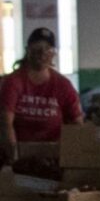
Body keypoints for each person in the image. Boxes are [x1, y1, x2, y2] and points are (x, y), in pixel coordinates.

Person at [0, 34, 82, 168]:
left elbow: (77, 124)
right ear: (28, 50)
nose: (42, 53)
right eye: (37, 48)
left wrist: (69, 159)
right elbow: (5, 123)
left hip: (53, 156)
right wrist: (14, 159)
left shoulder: (63, 85)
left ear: (53, 54)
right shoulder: (13, 82)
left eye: (47, 49)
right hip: (19, 153)